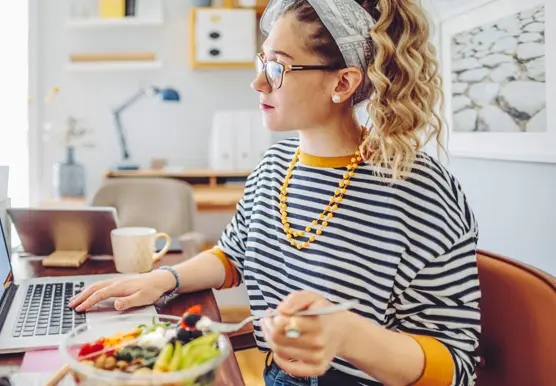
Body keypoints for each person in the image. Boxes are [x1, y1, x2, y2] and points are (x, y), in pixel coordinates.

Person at [69, 0, 481, 384]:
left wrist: (350, 336)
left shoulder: (420, 189)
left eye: (278, 68)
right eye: (262, 61)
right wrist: (162, 278)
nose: (257, 82)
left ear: (343, 81)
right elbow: (232, 255)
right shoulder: (275, 165)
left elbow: (458, 365)